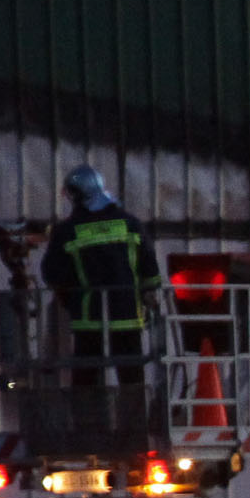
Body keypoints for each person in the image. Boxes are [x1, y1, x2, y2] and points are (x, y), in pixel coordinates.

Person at [39, 165, 161, 395]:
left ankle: (86, 424)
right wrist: (150, 294)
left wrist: (70, 299)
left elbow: (52, 273)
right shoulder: (130, 223)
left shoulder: (67, 231)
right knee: (131, 377)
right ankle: (134, 425)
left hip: (88, 319)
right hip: (127, 317)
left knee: (86, 378)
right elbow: (150, 269)